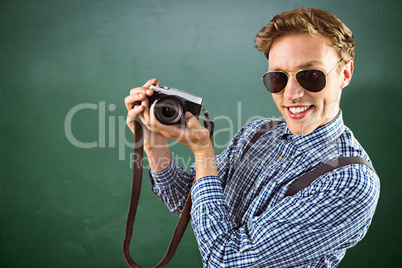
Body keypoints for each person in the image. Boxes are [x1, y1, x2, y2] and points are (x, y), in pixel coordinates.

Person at [124, 7, 380, 267]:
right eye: (278, 78)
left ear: (345, 74)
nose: (291, 94)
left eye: (310, 76)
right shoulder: (257, 133)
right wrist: (155, 146)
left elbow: (225, 260)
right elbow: (191, 203)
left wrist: (203, 154)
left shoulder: (349, 182)